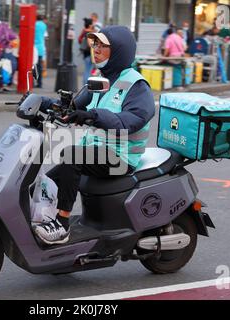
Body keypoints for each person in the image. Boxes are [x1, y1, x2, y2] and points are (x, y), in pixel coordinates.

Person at [32, 26, 156, 244]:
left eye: (102, 45)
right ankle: (43, 221)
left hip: (120, 156)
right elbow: (70, 108)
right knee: (46, 183)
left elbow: (133, 120)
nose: (95, 50)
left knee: (72, 155)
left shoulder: (137, 86)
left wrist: (92, 115)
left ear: (119, 50)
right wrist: (40, 101)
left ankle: (61, 225)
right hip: (97, 150)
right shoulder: (101, 79)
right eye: (94, 44)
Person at [78, 17, 94, 84]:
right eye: (92, 24)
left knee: (87, 70)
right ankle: (86, 85)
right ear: (90, 25)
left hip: (86, 54)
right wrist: (94, 45)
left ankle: (85, 85)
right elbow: (90, 44)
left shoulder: (84, 31)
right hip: (89, 54)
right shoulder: (89, 33)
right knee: (88, 71)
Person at [34, 15, 47, 88]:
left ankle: (32, 82)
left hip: (34, 47)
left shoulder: (35, 24)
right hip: (41, 48)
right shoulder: (44, 25)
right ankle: (40, 83)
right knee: (39, 66)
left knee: (33, 66)